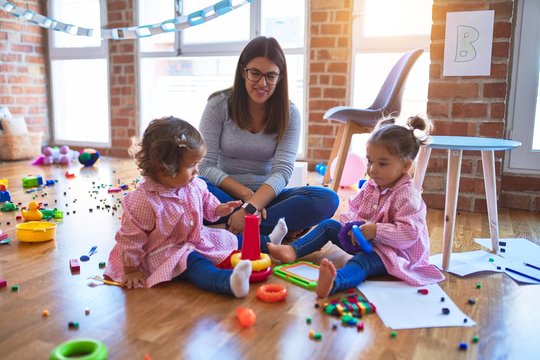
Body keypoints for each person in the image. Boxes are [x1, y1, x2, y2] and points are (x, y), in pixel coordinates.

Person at [104, 116, 289, 297]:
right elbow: (130, 238)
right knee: (195, 264)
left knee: (228, 239)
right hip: (167, 252)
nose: (196, 171)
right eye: (191, 165)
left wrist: (219, 209)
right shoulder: (144, 200)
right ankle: (228, 282)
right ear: (164, 169)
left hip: (195, 238)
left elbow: (205, 199)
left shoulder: (193, 184)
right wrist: (131, 270)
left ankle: (268, 243)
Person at [268, 116, 445, 297]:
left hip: (393, 255)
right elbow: (352, 208)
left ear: (405, 165)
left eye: (382, 163)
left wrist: (375, 230)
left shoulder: (408, 196)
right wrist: (351, 226)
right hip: (364, 241)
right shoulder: (372, 184)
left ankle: (334, 282)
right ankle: (293, 250)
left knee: (362, 262)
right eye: (370, 161)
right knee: (328, 225)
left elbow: (408, 234)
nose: (372, 169)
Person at [198, 36, 339, 237]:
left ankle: (230, 229)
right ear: (242, 72)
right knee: (193, 189)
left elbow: (282, 172)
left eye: (271, 76)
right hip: (224, 195)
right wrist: (248, 198)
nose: (262, 83)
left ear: (280, 78)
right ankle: (273, 229)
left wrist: (253, 206)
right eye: (255, 73)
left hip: (267, 197)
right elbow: (205, 166)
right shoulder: (218, 105)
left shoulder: (290, 113)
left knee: (327, 199)